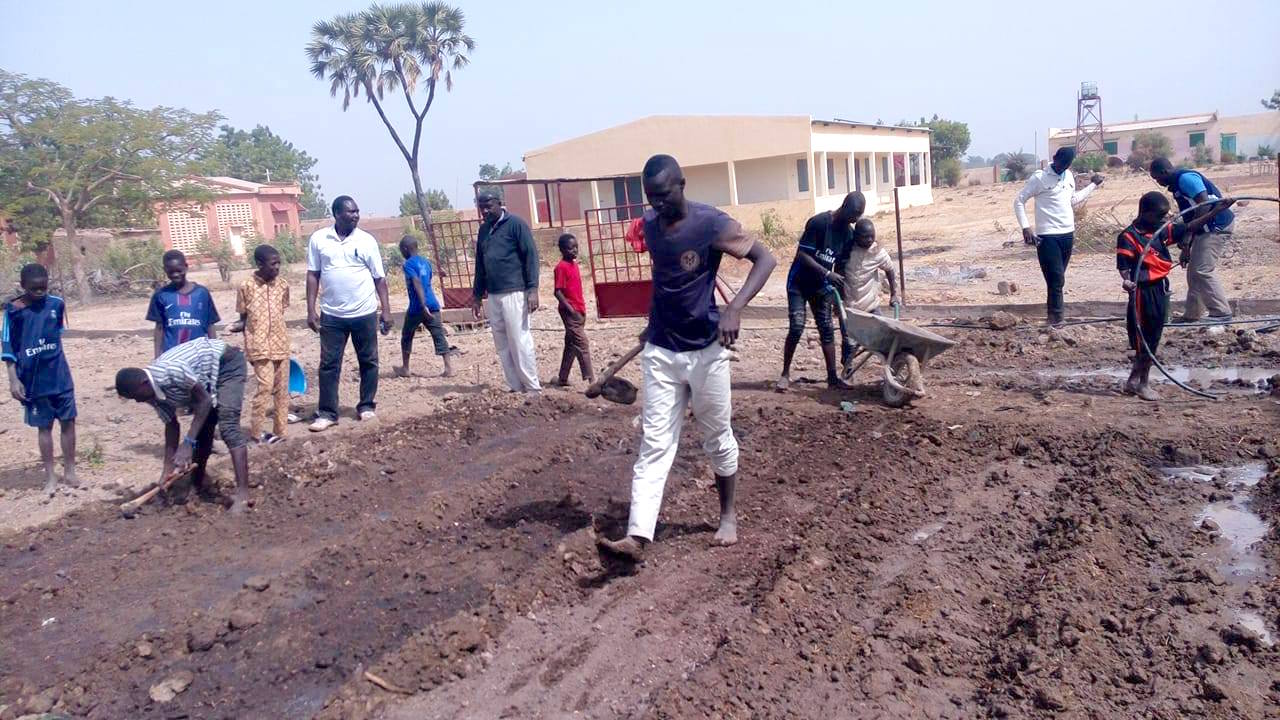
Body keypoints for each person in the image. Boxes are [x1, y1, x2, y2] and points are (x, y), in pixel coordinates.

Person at [597, 155, 777, 563]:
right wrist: (652, 324)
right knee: (654, 443)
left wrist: (734, 309)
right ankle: (637, 536)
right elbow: (667, 282)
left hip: (706, 350)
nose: (657, 204)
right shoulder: (649, 226)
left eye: (664, 195)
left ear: (682, 184)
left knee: (717, 436)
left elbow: (765, 259)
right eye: (651, 197)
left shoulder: (711, 224)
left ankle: (727, 516)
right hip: (662, 349)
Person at [1117, 192, 1234, 401]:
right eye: (1159, 216)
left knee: (1154, 337)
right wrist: (1126, 281)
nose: (1164, 219)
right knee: (1146, 340)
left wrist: (1216, 211)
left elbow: (1189, 227)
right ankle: (1142, 384)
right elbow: (1124, 266)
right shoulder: (1128, 236)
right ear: (1145, 213)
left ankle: (1133, 381)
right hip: (1142, 292)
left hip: (1160, 288)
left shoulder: (1159, 230)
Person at [114, 337, 252, 513]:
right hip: (206, 378)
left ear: (143, 384)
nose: (137, 401)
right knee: (202, 431)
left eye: (135, 396)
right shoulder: (151, 394)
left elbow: (204, 401)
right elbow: (171, 425)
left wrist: (187, 443)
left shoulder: (170, 371)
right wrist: (166, 471)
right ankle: (197, 486)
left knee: (228, 426)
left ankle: (243, 495)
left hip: (226, 364)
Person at [305, 196, 393, 431]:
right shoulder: (319, 239)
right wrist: (310, 310)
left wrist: (386, 310)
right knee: (329, 364)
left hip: (364, 312)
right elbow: (313, 274)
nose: (356, 215)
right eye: (350, 212)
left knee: (369, 361)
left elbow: (379, 278)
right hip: (332, 314)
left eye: (357, 211)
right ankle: (327, 413)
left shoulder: (366, 241)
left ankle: (366, 406)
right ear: (336, 214)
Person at [777, 192, 863, 392]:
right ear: (844, 206)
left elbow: (840, 268)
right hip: (798, 283)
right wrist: (826, 273)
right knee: (797, 326)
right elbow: (802, 255)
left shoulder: (849, 235)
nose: (855, 220)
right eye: (854, 214)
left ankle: (832, 378)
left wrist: (840, 298)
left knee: (826, 329)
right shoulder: (819, 223)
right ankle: (785, 374)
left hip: (820, 285)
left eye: (858, 216)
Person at [3, 264, 76, 494]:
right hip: (33, 380)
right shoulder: (13, 311)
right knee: (44, 427)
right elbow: (8, 347)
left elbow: (56, 334)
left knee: (68, 422)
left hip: (60, 376)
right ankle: (50, 477)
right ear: (23, 286)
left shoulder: (56, 304)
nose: (40, 292)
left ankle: (70, 472)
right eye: (34, 288)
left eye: (43, 287)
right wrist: (14, 380)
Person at [1012, 147, 1104, 326]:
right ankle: (1056, 319)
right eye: (1061, 163)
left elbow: (1073, 200)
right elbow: (1019, 201)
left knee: (1057, 279)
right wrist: (1026, 227)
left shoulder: (1068, 176)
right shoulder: (1039, 178)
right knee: (1056, 279)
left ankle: (1053, 318)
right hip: (1048, 237)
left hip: (1067, 235)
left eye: (1067, 164)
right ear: (1054, 158)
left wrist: (1093, 185)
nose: (1063, 167)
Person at [469, 191, 541, 392]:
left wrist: (533, 289)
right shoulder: (484, 230)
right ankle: (515, 386)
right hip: (493, 294)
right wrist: (477, 296)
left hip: (514, 292)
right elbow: (480, 265)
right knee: (501, 343)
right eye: (481, 207)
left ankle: (532, 387)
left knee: (518, 340)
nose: (485, 211)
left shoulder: (516, 224)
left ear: (499, 203)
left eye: (488, 205)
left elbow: (531, 257)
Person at [1149, 157, 1236, 322]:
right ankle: (1192, 315)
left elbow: (1204, 205)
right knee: (1194, 272)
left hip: (1216, 226)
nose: (1158, 182)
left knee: (1202, 270)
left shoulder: (1185, 179)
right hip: (1204, 228)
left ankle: (1222, 313)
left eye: (1157, 178)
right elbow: (1192, 215)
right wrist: (1186, 247)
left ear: (1164, 172)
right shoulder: (1177, 185)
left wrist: (1188, 236)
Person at [230, 244, 290, 444]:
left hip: (281, 343)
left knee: (282, 389)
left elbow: (281, 310)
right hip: (259, 345)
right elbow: (243, 315)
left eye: (279, 263)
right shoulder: (246, 286)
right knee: (265, 387)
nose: (277, 267)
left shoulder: (283, 285)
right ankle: (256, 433)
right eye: (273, 264)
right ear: (259, 264)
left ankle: (281, 432)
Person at [838, 218, 901, 375]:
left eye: (872, 236)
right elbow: (838, 270)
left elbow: (890, 269)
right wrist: (836, 298)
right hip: (849, 306)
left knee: (886, 336)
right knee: (849, 341)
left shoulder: (877, 252)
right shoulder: (847, 250)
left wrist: (894, 294)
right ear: (856, 236)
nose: (869, 240)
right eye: (865, 237)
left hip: (870, 304)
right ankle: (847, 368)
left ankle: (894, 368)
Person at [396, 235, 456, 378]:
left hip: (418, 307)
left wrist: (423, 306)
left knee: (407, 335)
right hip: (433, 303)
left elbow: (417, 282)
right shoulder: (426, 262)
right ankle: (448, 368)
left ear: (405, 249)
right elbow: (427, 281)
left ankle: (405, 368)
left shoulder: (408, 264)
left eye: (401, 250)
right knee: (438, 335)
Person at [146, 250, 220, 358]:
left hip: (198, 354)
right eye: (171, 272)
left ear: (186, 267)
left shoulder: (202, 293)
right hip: (172, 355)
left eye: (179, 270)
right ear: (165, 270)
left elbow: (210, 325)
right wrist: (157, 357)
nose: (175, 274)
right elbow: (159, 328)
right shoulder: (161, 295)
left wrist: (215, 353)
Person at [550, 233, 595, 387]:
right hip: (570, 313)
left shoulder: (574, 265)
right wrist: (570, 309)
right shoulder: (561, 267)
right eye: (571, 248)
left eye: (576, 247)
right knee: (582, 344)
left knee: (571, 345)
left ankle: (562, 378)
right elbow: (557, 292)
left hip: (579, 310)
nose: (575, 250)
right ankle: (592, 380)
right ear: (562, 250)